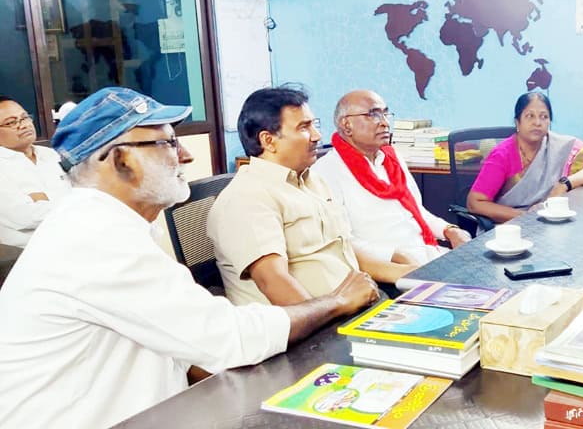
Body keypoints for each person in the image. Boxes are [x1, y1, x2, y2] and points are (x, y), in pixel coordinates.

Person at [0, 87, 379, 428]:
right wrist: (336, 302)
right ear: (120, 160)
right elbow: (228, 338)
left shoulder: (113, 224)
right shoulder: (93, 236)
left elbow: (185, 344)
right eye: (167, 143)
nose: (185, 154)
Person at [208, 86, 415, 307]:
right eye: (304, 127)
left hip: (359, 303)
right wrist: (338, 308)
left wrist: (408, 274)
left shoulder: (312, 181)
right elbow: (273, 281)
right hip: (322, 322)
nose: (317, 136)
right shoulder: (247, 197)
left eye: (314, 125)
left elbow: (343, 250)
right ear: (268, 141)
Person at [312, 90, 472, 266]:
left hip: (428, 253)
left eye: (386, 114)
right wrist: (394, 256)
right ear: (347, 125)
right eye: (373, 114)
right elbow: (342, 241)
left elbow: (417, 211)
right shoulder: (327, 170)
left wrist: (449, 230)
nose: (385, 123)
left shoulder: (392, 158)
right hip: (388, 267)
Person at [467, 91, 583, 223]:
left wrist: (564, 184)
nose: (537, 122)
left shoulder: (559, 146)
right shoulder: (503, 154)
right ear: (517, 122)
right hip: (511, 226)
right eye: (530, 116)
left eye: (544, 117)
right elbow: (475, 202)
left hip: (551, 222)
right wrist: (526, 218)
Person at [0, 96, 71, 247]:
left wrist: (42, 201)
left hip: (76, 238)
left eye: (24, 117)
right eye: (11, 122)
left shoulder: (52, 155)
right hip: (30, 251)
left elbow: (83, 190)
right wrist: (75, 205)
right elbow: (23, 217)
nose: (23, 125)